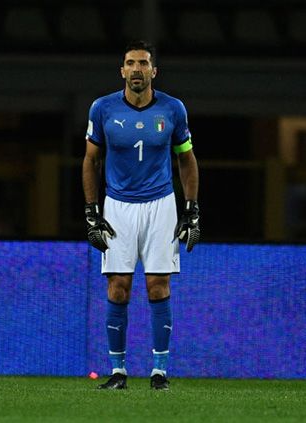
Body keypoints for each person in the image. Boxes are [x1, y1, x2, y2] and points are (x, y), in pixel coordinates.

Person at [81, 40, 200, 390]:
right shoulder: (102, 109)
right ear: (122, 70)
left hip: (161, 204)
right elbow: (90, 160)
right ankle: (118, 372)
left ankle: (159, 372)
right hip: (117, 205)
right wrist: (92, 212)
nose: (136, 69)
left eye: (143, 63)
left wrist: (191, 209)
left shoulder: (173, 109)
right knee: (118, 289)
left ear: (153, 71)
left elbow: (186, 159)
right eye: (130, 63)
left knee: (158, 287)